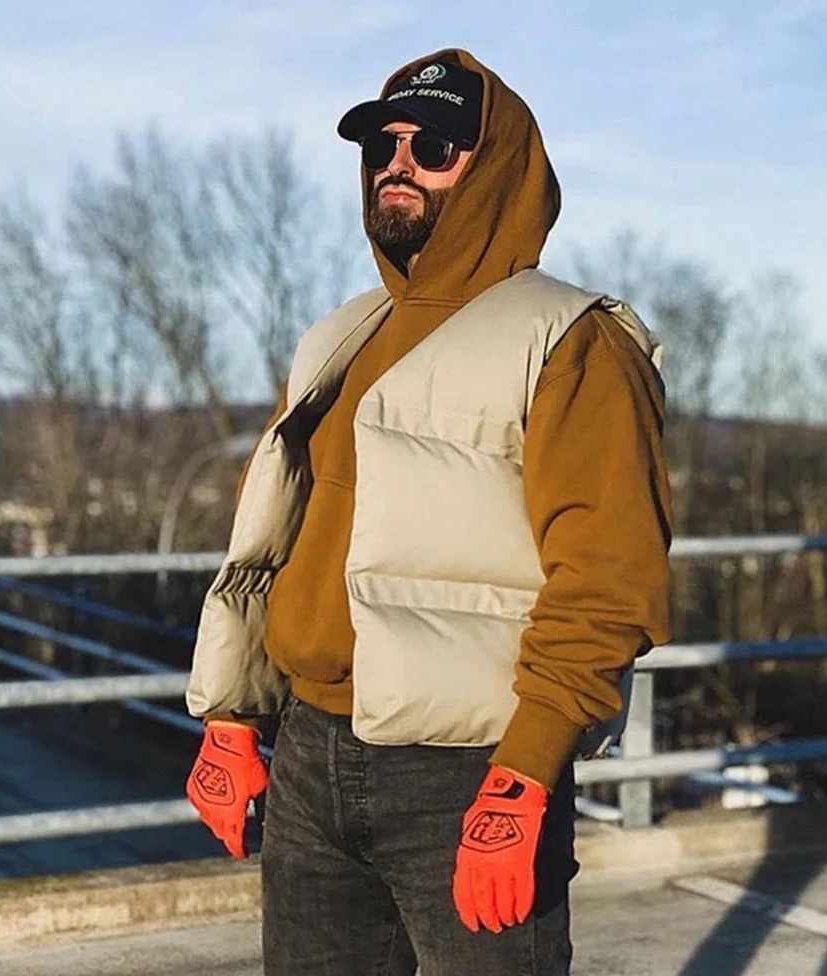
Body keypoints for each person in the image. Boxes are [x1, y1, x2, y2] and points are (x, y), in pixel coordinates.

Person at [184, 47, 671, 976]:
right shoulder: (340, 335)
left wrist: (522, 779)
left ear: (494, 169)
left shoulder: (572, 340)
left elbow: (608, 581)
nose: (398, 162)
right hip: (310, 756)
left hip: (468, 770)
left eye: (435, 145)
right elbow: (275, 543)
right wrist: (232, 714)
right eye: (382, 145)